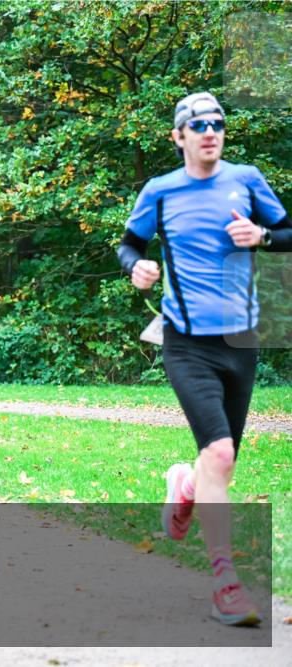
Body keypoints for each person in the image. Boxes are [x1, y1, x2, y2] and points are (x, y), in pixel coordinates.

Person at [117, 92, 290, 627]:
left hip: (241, 342)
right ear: (179, 137)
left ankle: (184, 487)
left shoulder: (247, 179)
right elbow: (128, 244)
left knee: (221, 458)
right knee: (219, 454)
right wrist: (137, 268)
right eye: (198, 125)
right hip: (186, 342)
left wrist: (262, 235)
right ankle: (225, 583)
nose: (209, 131)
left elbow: (288, 232)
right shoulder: (161, 192)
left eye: (216, 123)